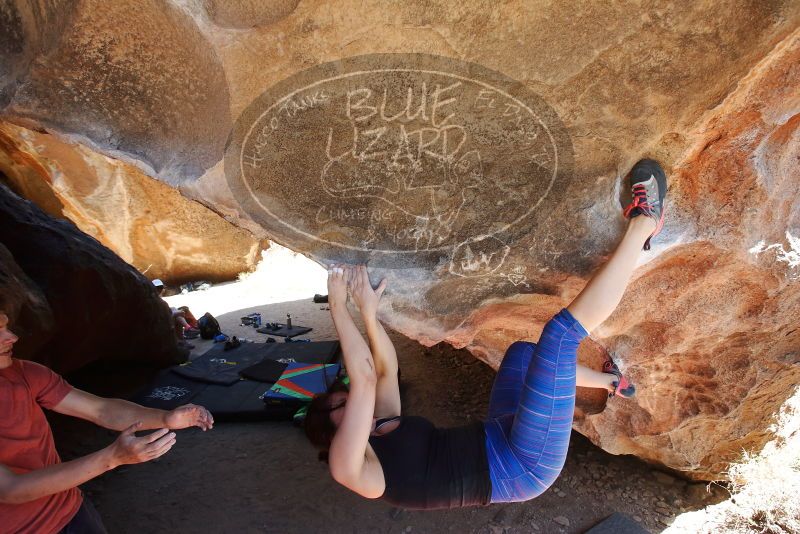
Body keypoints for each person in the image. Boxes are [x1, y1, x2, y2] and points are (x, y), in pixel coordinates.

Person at [303, 159, 667, 509]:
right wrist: (337, 306)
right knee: (558, 337)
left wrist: (367, 311)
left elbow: (382, 372)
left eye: (342, 398)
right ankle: (644, 225)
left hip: (499, 433)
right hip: (521, 467)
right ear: (330, 435)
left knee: (523, 355)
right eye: (340, 406)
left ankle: (608, 382)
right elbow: (365, 379)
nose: (350, 401)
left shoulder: (379, 427)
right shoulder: (353, 471)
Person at [0, 308, 214, 533]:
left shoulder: (24, 373)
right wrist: (112, 458)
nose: (12, 337)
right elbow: (11, 489)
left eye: (5, 326)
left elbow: (101, 410)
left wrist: (165, 418)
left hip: (70, 510)